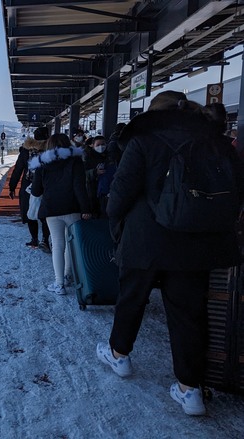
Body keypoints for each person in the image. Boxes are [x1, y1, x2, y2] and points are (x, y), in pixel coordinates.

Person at [98, 90, 244, 416]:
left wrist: (117, 227)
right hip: (196, 243)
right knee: (189, 314)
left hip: (144, 239)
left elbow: (120, 193)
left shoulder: (144, 140)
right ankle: (190, 390)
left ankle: (119, 355)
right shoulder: (216, 142)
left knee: (131, 299)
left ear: (154, 113)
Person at [28, 133, 92, 294]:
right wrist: (86, 209)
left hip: (52, 209)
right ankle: (68, 275)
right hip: (72, 208)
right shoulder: (76, 161)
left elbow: (36, 191)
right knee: (70, 244)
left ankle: (59, 284)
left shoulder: (42, 163)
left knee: (57, 245)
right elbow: (80, 187)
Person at [9, 127, 51, 251]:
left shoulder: (26, 151)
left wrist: (12, 187)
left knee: (30, 213)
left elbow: (18, 170)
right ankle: (45, 240)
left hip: (29, 186)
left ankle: (34, 239)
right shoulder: (51, 149)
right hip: (47, 186)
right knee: (46, 215)